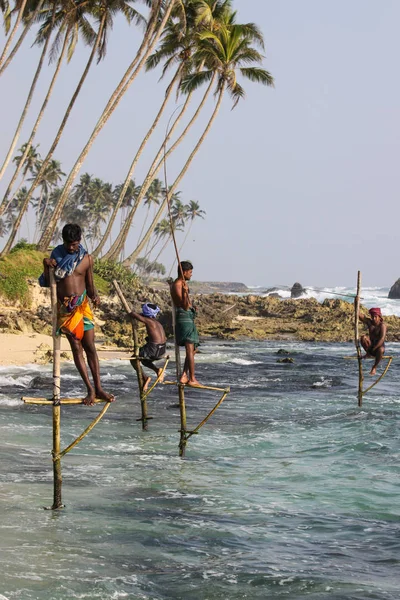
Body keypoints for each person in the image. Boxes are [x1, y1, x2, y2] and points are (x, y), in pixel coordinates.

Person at [39, 223, 114, 406]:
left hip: (83, 306)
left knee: (90, 347)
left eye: (74, 244)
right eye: (68, 244)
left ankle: (99, 388)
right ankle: (89, 389)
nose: (71, 248)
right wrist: (45, 265)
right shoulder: (56, 256)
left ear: (79, 241)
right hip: (66, 309)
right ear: (63, 240)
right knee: (76, 347)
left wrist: (95, 296)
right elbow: (49, 282)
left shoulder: (87, 258)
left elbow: (89, 284)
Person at [170, 260, 202, 386]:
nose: (191, 274)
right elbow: (183, 305)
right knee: (189, 349)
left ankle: (184, 374)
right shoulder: (178, 284)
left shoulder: (180, 283)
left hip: (187, 317)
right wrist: (184, 292)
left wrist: (192, 306)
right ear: (184, 272)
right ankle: (192, 379)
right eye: (190, 272)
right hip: (184, 318)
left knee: (193, 348)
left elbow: (186, 304)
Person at [130, 303, 167, 392]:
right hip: (162, 350)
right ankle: (157, 369)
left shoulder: (148, 321)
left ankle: (145, 378)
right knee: (145, 361)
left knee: (133, 359)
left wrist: (132, 314)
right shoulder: (157, 323)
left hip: (153, 349)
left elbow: (133, 314)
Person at [359, 307, 387, 376]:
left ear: (379, 317)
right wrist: (357, 302)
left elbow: (382, 339)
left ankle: (374, 367)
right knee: (363, 338)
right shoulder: (369, 322)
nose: (373, 318)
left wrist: (374, 348)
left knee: (381, 349)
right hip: (370, 347)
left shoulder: (382, 325)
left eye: (375, 317)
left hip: (378, 348)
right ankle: (368, 354)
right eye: (372, 317)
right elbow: (358, 315)